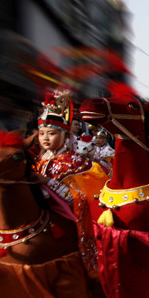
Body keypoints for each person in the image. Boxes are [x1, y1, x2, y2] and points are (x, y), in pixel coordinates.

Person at [35, 90, 108, 276]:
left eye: (51, 133)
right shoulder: (39, 161)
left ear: (65, 135)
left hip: (71, 224)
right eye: (41, 133)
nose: (44, 138)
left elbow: (80, 198)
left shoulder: (76, 162)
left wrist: (48, 182)